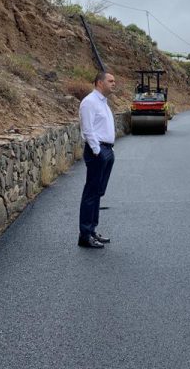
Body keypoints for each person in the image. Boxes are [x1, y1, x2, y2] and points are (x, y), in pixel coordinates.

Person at [77, 71, 117, 249]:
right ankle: (85, 235)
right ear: (100, 83)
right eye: (110, 81)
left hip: (106, 150)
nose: (113, 84)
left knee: (98, 192)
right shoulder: (89, 102)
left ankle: (92, 231)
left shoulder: (103, 102)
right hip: (98, 151)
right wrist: (97, 151)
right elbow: (88, 129)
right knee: (91, 193)